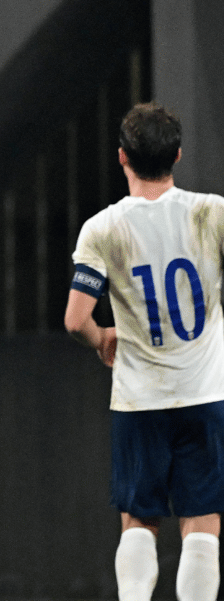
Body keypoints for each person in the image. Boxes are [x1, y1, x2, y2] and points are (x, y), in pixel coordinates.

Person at [64, 102, 224, 601]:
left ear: (121, 158)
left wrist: (102, 338)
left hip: (139, 401)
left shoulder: (103, 229)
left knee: (138, 520)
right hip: (205, 394)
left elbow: (75, 320)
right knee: (201, 523)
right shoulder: (213, 212)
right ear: (177, 155)